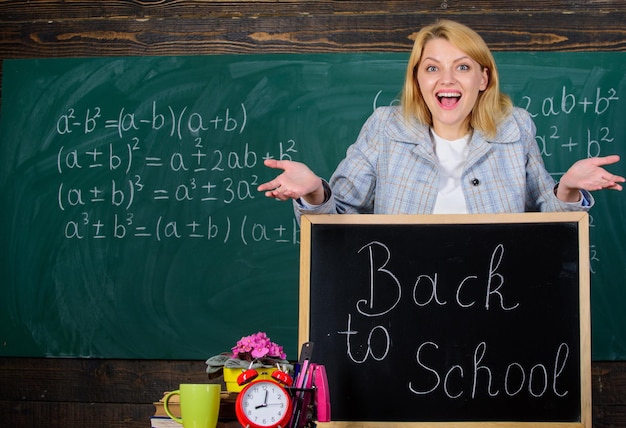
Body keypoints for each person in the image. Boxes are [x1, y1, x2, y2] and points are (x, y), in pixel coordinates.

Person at [258, 19, 624, 217]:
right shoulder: (386, 127)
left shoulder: (516, 127)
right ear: (418, 78)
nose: (447, 80)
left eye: (462, 67)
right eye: (432, 68)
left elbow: (549, 222)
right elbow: (335, 221)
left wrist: (569, 188)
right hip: (397, 303)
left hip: (496, 298)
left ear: (483, 79)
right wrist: (314, 191)